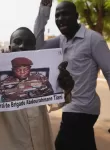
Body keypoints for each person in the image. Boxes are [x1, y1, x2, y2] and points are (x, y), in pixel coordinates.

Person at [0, 26, 74, 150]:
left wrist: (65, 88)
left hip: (42, 143)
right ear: (10, 48)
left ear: (34, 49)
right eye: (17, 41)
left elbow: (55, 103)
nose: (22, 46)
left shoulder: (40, 78)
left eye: (29, 43)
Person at [34, 0, 110, 150]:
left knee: (62, 145)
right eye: (57, 15)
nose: (60, 19)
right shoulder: (61, 40)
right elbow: (37, 47)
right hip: (70, 106)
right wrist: (44, 10)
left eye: (65, 14)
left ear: (76, 16)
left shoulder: (93, 39)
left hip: (83, 108)